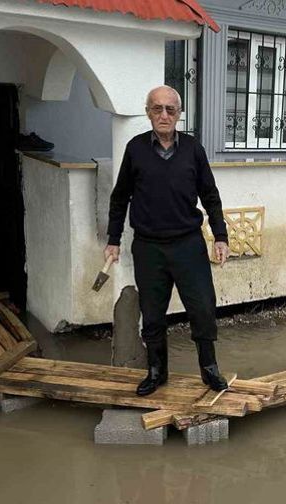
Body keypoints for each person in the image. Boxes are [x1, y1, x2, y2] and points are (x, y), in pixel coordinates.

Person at [104, 85, 230, 396]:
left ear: (179, 114)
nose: (164, 115)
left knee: (202, 307)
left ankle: (209, 369)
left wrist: (220, 236)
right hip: (149, 247)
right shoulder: (135, 149)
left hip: (188, 244)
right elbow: (120, 198)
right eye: (157, 108)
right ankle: (157, 371)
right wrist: (113, 239)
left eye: (170, 109)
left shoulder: (192, 149)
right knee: (153, 312)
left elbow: (210, 196)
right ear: (148, 112)